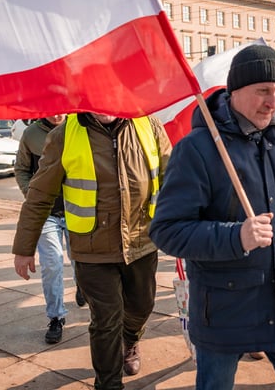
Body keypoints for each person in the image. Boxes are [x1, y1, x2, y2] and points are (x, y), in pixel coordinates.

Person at [150, 45, 275, 390]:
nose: (273, 101)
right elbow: (167, 230)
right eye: (263, 90)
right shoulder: (198, 148)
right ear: (234, 91)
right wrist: (236, 237)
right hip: (224, 309)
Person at [12, 111, 171, 389]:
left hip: (142, 242)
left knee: (142, 306)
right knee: (106, 320)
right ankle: (108, 383)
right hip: (91, 249)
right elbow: (39, 194)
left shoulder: (148, 124)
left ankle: (131, 340)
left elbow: (174, 179)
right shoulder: (64, 134)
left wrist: (189, 227)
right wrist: (24, 247)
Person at [14, 114, 84, 345]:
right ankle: (56, 317)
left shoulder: (79, 128)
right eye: (52, 109)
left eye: (61, 108)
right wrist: (30, 193)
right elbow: (22, 169)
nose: (57, 114)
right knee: (52, 263)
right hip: (47, 213)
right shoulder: (31, 134)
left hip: (77, 211)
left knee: (80, 259)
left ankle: (82, 285)